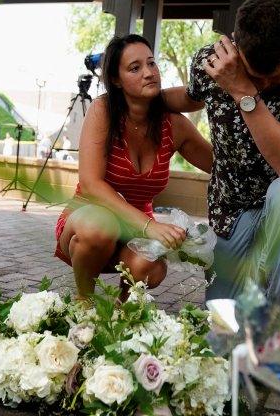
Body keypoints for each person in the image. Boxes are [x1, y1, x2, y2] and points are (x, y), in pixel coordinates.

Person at [163, 0, 280, 341]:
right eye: (253, 74)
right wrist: (135, 98)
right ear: (234, 47)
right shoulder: (213, 62)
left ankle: (277, 325)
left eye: (274, 76)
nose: (263, 84)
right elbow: (189, 96)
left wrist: (243, 90)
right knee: (220, 336)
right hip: (233, 208)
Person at [55, 34, 213, 301]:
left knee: (149, 266)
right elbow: (92, 185)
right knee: (100, 226)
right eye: (135, 68)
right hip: (89, 220)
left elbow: (221, 167)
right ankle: (84, 303)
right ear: (116, 79)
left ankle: (121, 309)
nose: (149, 72)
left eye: (152, 63)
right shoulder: (103, 110)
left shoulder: (174, 125)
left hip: (136, 228)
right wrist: (149, 226)